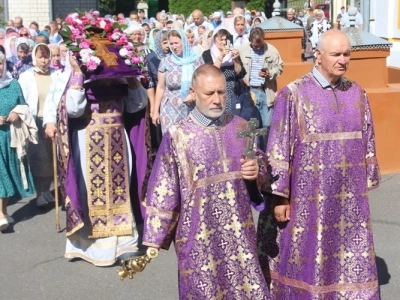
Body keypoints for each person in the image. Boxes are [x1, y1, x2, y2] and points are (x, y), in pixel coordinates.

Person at [257, 29, 381, 298]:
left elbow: (367, 139)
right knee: (307, 260)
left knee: (347, 261)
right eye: (336, 54)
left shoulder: (357, 94)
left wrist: (367, 177)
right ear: (318, 55)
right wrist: (280, 198)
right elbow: (278, 147)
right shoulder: (294, 94)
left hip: (349, 201)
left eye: (347, 54)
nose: (342, 60)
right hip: (306, 202)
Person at [143, 64, 270, 299]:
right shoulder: (178, 136)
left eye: (221, 92)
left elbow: (261, 166)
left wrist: (256, 172)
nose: (217, 100)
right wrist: (154, 237)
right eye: (209, 93)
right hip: (199, 236)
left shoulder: (242, 127)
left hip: (239, 233)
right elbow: (164, 187)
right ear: (193, 92)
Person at [44, 51, 152, 266]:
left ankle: (125, 244)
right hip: (87, 143)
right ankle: (92, 247)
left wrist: (131, 77)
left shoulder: (120, 80)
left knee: (120, 191)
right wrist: (77, 74)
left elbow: (137, 105)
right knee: (90, 191)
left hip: (118, 143)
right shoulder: (72, 78)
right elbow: (73, 111)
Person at [0, 49, 36, 231]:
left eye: (0, 63)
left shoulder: (13, 84)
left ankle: (3, 210)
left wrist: (17, 113)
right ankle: (0, 215)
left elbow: (24, 105)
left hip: (10, 138)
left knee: (8, 174)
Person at [18, 44, 56, 207]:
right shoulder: (26, 76)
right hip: (34, 121)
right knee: (38, 158)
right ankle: (39, 193)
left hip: (52, 121)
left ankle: (47, 189)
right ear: (34, 58)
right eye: (40, 57)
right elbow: (21, 99)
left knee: (51, 157)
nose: (43, 60)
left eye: (46, 57)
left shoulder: (56, 75)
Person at [151, 29, 204, 134]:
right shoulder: (166, 61)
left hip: (193, 107)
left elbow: (203, 83)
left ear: (183, 42)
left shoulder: (197, 60)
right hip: (170, 109)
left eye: (176, 43)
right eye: (171, 44)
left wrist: (194, 95)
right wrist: (155, 111)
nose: (174, 47)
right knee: (171, 141)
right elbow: (161, 87)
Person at [238, 27, 283, 129]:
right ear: (250, 40)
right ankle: (254, 145)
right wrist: (242, 80)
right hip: (249, 92)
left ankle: (264, 144)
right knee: (251, 124)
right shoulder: (242, 51)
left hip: (265, 91)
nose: (258, 48)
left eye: (260, 45)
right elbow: (236, 70)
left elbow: (280, 67)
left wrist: (269, 73)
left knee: (266, 124)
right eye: (255, 46)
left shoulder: (271, 50)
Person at [202, 28, 245, 113]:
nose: (224, 42)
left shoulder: (232, 52)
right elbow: (211, 73)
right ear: (215, 39)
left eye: (226, 39)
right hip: (217, 92)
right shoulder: (207, 54)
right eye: (221, 39)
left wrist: (236, 60)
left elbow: (240, 73)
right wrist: (221, 56)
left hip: (233, 91)